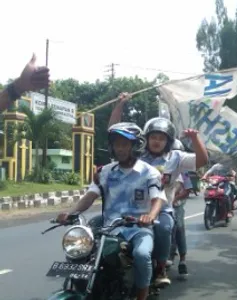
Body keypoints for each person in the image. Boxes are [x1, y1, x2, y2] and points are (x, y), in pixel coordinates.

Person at [56, 123, 165, 300]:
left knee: (142, 254)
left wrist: (150, 216)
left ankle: (141, 297)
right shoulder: (106, 172)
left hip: (138, 228)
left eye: (124, 144)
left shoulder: (149, 172)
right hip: (109, 229)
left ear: (136, 146)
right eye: (116, 144)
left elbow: (157, 198)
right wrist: (71, 213)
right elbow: (91, 195)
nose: (120, 148)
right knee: (80, 250)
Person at [108, 93, 209, 285]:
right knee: (99, 227)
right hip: (130, 208)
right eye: (153, 137)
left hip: (161, 209)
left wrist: (195, 138)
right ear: (146, 139)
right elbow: (114, 131)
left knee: (164, 228)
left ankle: (161, 267)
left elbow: (202, 160)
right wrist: (120, 105)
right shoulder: (136, 154)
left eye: (161, 138)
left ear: (168, 141)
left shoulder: (176, 157)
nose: (156, 141)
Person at [169, 172, 192, 280]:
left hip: (176, 205)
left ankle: (182, 260)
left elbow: (187, 190)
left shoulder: (183, 173)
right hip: (157, 204)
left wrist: (175, 198)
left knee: (178, 227)